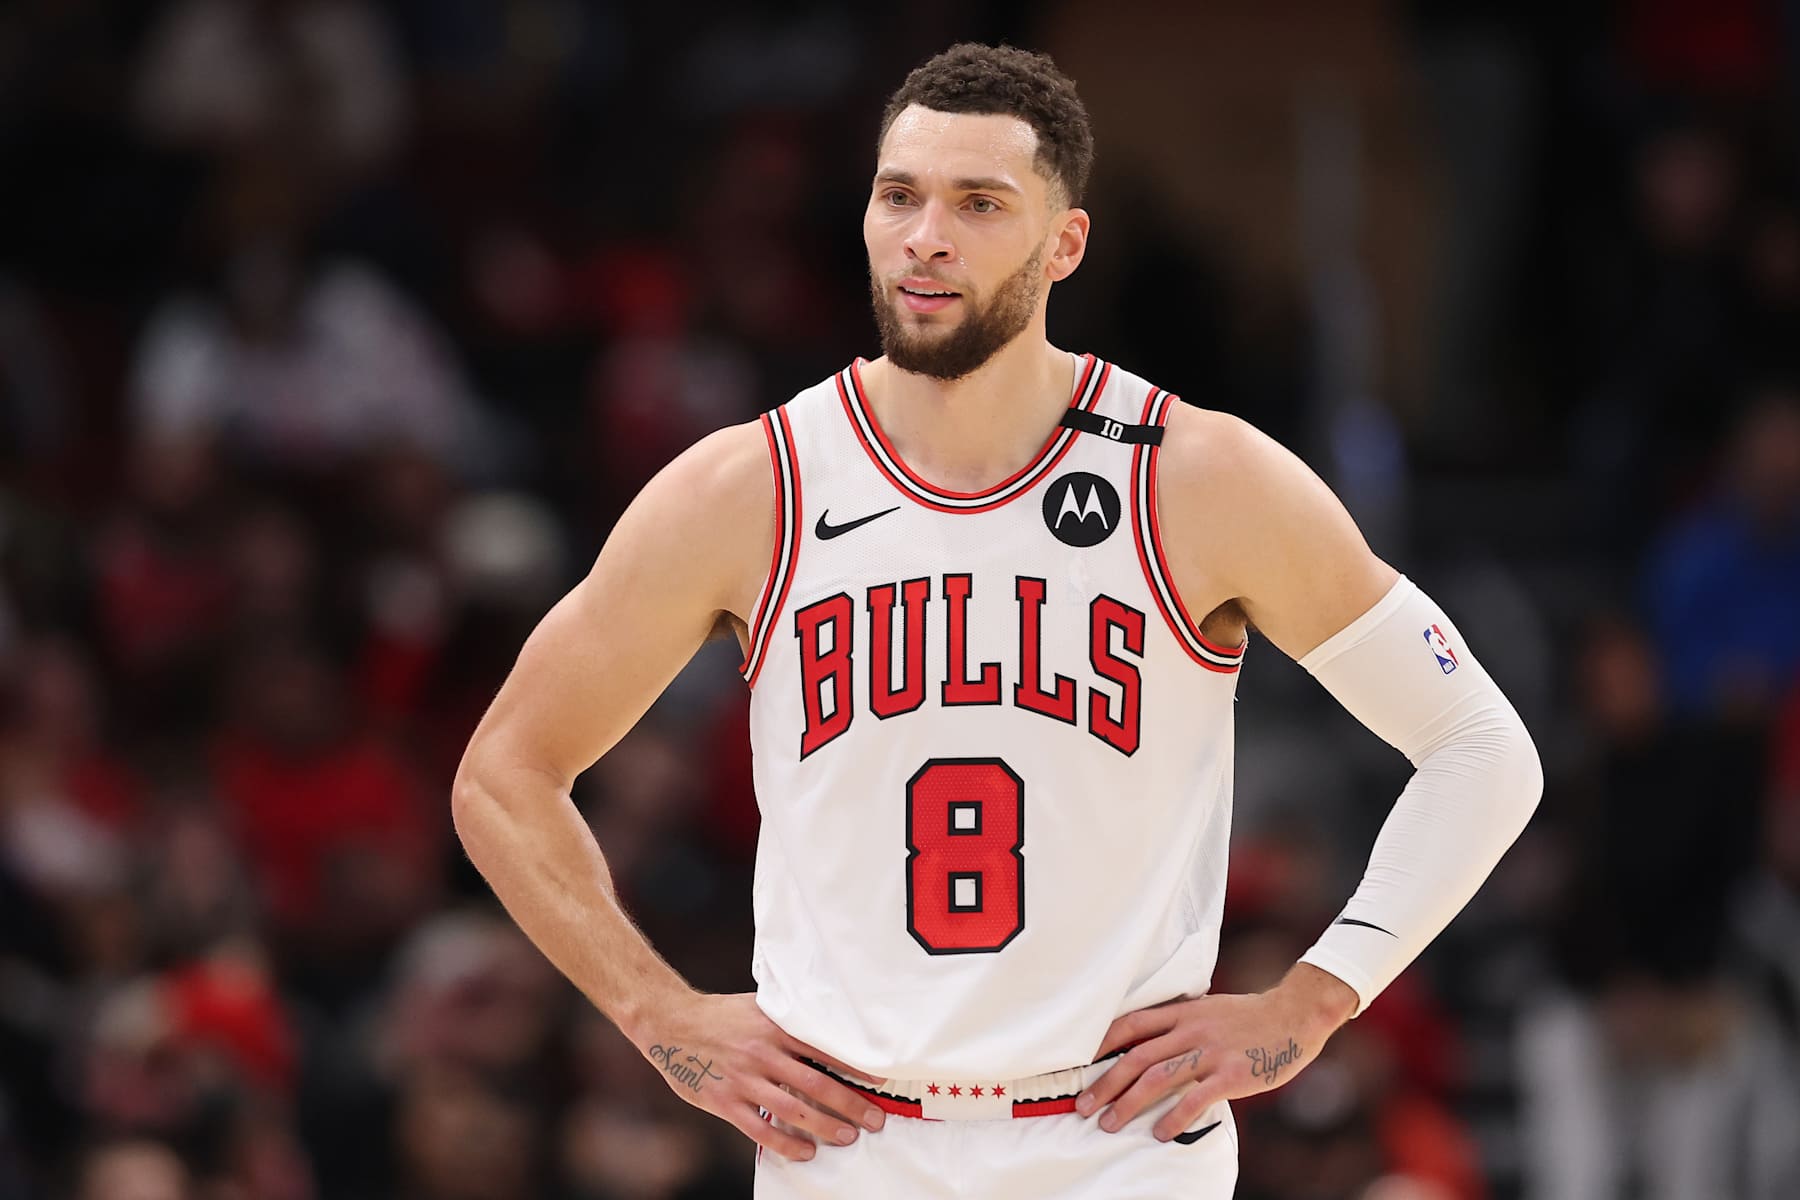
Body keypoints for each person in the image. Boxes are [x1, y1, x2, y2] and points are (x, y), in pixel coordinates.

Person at [452, 43, 1543, 1199]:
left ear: (1064, 242)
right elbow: (503, 775)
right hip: (845, 1148)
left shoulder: (1200, 477)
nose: (927, 234)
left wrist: (1314, 999)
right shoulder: (749, 489)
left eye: (980, 204)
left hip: (1116, 1145)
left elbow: (1482, 749)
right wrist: (658, 1013)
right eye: (899, 195)